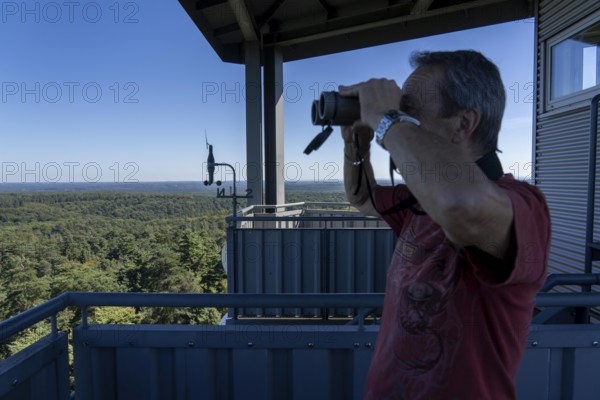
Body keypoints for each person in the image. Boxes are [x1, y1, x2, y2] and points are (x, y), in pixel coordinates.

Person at [339, 50, 550, 400]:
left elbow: (461, 206)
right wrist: (355, 145)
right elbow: (363, 198)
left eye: (410, 112)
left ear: (464, 124)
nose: (398, 122)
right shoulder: (420, 201)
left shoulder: (524, 206)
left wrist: (387, 118)